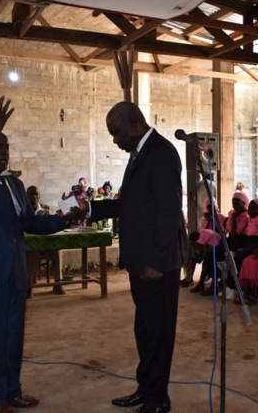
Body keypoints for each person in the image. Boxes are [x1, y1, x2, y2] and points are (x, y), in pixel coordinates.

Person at [78, 101, 187, 413]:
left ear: (134, 123)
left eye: (117, 133)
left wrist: (155, 261)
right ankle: (146, 388)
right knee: (145, 329)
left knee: (158, 332)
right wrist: (90, 209)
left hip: (157, 265)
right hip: (141, 262)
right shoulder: (140, 153)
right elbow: (131, 204)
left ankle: (158, 399)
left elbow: (168, 213)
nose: (115, 140)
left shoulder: (162, 153)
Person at [0, 97, 72, 413]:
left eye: (6, 149)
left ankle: (13, 391)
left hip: (16, 274)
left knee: (13, 339)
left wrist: (66, 219)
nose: (3, 154)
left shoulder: (15, 183)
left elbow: (29, 223)